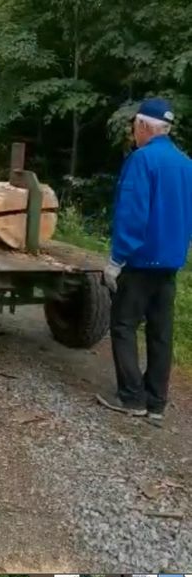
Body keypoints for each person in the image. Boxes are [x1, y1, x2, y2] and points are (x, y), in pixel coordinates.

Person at [99, 98, 192, 426]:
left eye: (134, 127)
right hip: (169, 264)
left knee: (123, 325)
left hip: (139, 262)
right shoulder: (185, 163)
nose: (133, 134)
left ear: (142, 126)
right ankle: (156, 402)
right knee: (160, 332)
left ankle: (133, 398)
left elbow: (132, 214)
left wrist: (116, 259)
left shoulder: (142, 160)